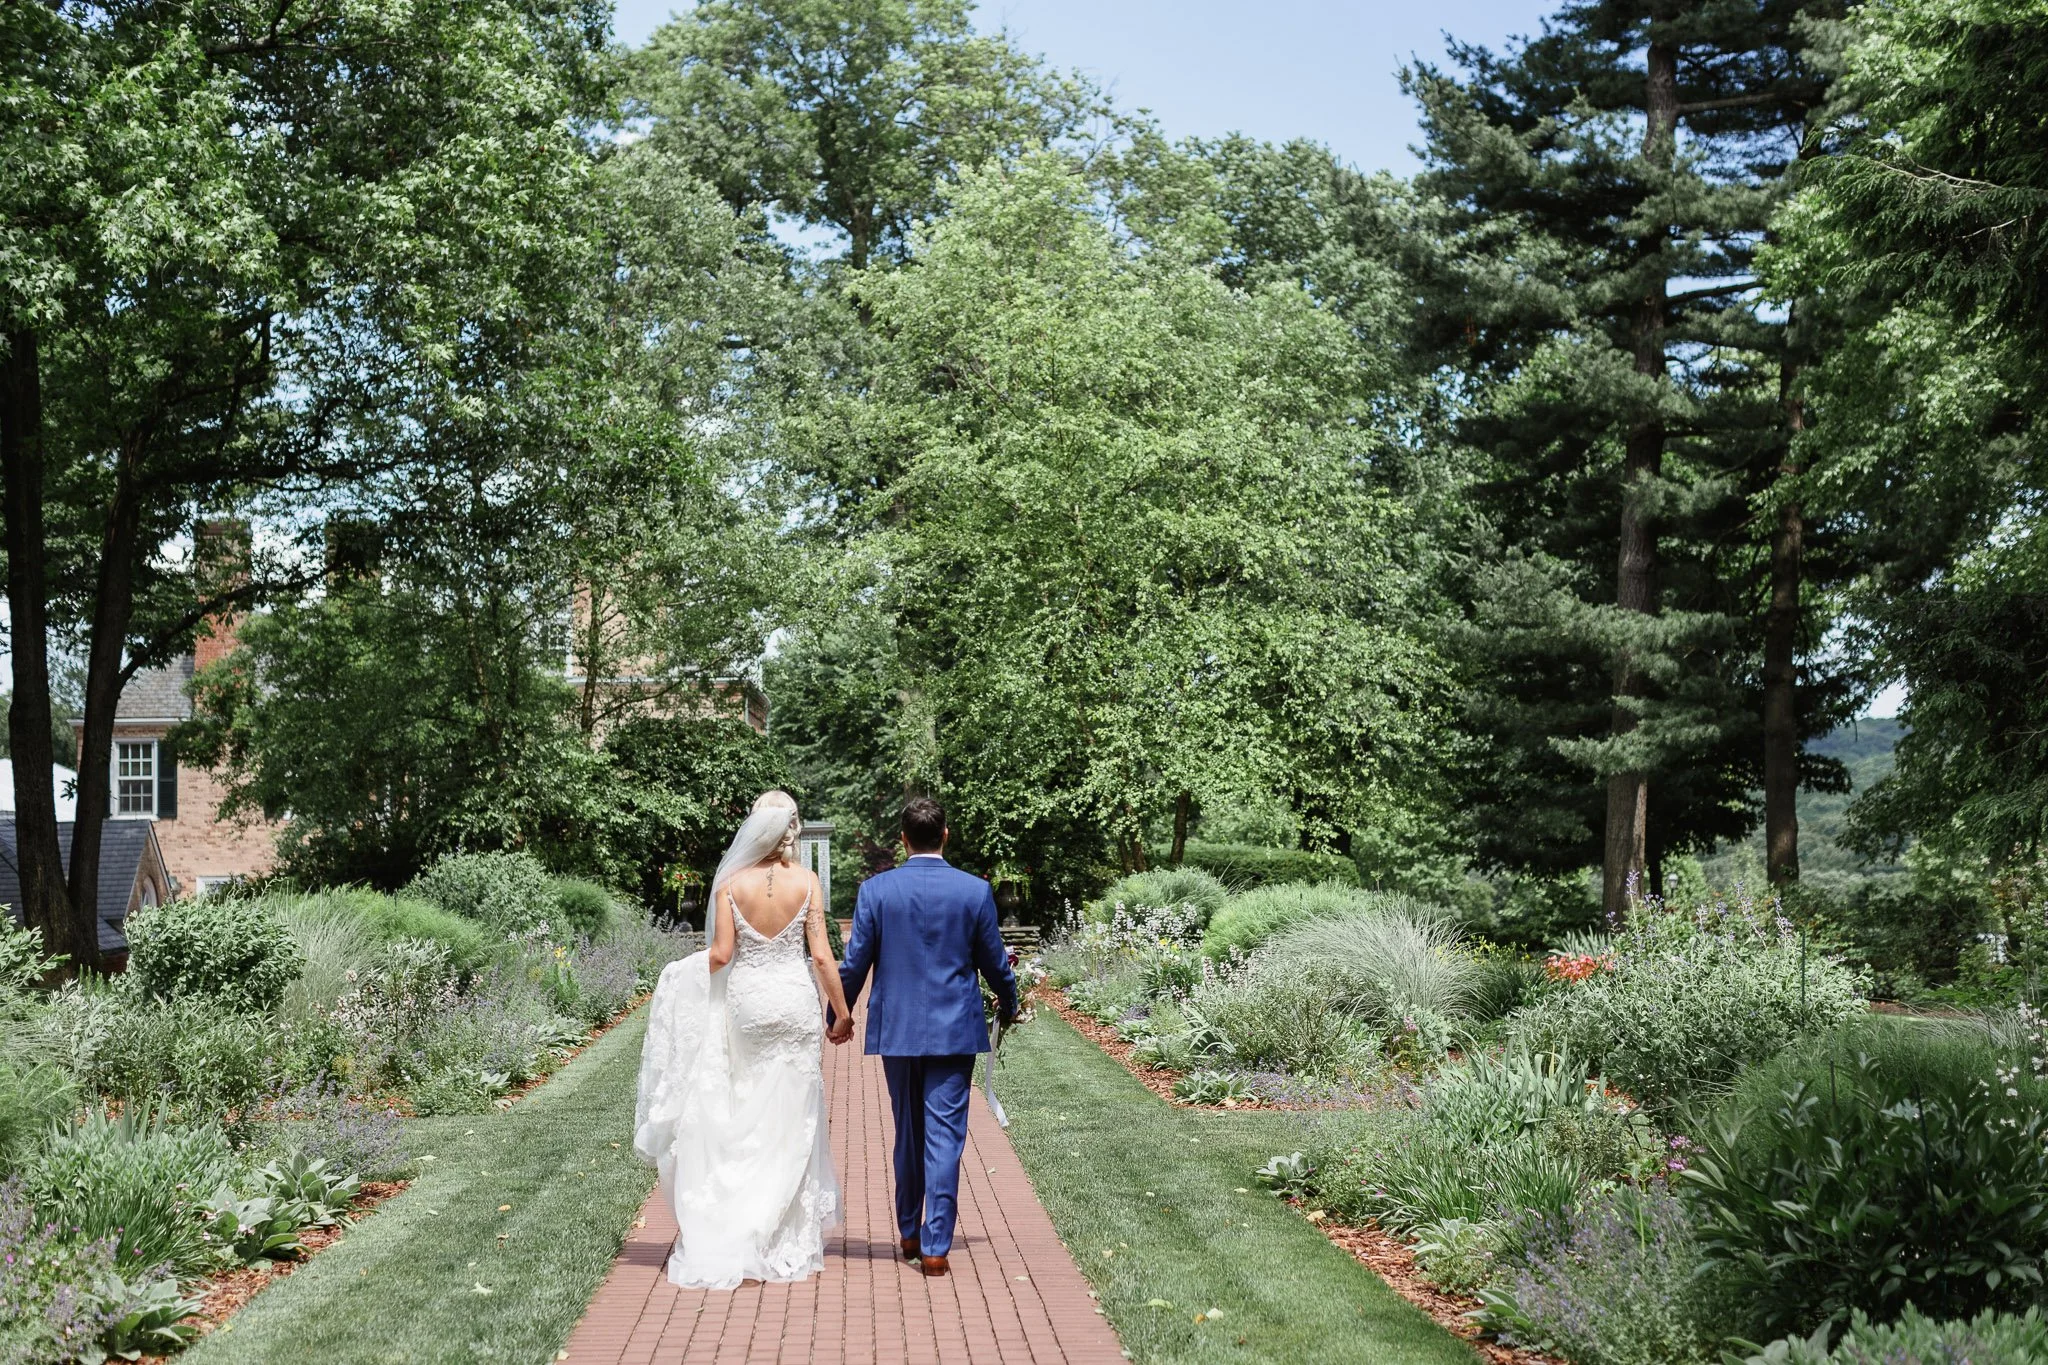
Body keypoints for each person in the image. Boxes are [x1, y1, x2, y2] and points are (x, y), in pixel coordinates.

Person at [633, 790, 852, 1290]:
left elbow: (721, 954)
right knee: (795, 1114)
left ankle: (742, 1221)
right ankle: (781, 1235)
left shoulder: (730, 884)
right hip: (795, 1004)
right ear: (790, 830)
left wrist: (675, 974)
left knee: (747, 1105)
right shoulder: (808, 883)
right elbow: (821, 956)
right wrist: (841, 1012)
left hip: (749, 1005)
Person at [836, 796, 1019, 1277]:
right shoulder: (973, 891)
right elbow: (995, 961)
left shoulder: (876, 890)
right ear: (945, 835)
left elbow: (855, 962)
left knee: (907, 1132)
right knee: (944, 1135)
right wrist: (1010, 1001)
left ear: (902, 839)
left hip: (896, 1030)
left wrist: (840, 1013)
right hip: (953, 1030)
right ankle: (936, 1246)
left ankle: (909, 1232)